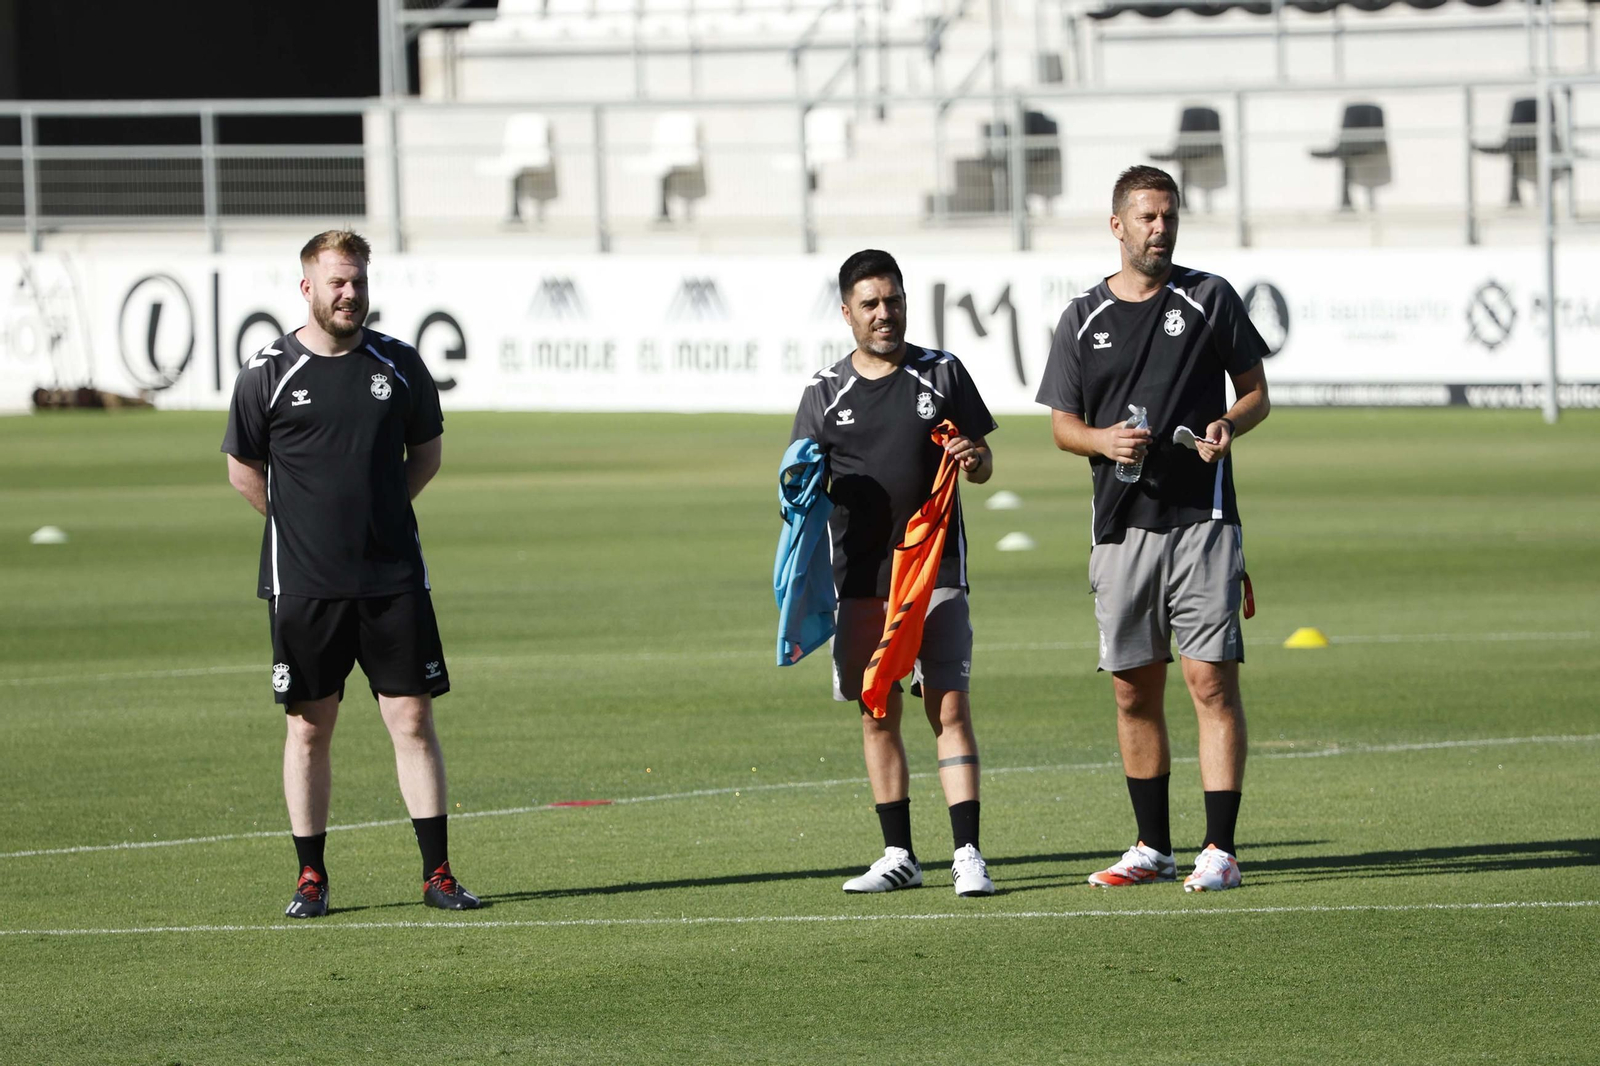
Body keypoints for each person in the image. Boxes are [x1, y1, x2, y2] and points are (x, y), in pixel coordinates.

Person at [221, 230, 481, 918]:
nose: (350, 293)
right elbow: (243, 469)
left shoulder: (398, 363)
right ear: (307, 287)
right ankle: (311, 877)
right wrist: (301, 527)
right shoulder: (267, 372)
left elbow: (427, 454)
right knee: (309, 728)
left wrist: (381, 514)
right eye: (337, 282)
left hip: (392, 579)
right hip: (305, 584)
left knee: (413, 719)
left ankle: (438, 875)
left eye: (359, 280)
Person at [1035, 166, 1270, 893]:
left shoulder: (1209, 297)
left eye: (1169, 216)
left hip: (1204, 520)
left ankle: (1220, 850)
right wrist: (1103, 441)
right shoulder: (1082, 318)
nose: (1160, 228)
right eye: (1147, 217)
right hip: (1120, 527)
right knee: (1133, 691)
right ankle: (1152, 847)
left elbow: (1256, 393)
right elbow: (1063, 426)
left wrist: (1228, 424)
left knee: (1209, 681)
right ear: (1118, 226)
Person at [790, 249, 1000, 897]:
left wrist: (973, 459)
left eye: (894, 300)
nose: (885, 313)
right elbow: (799, 478)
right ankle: (899, 855)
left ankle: (967, 853)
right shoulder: (824, 392)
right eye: (871, 304)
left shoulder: (942, 372)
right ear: (847, 312)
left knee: (948, 707)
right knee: (876, 711)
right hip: (860, 581)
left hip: (936, 570)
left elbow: (984, 460)